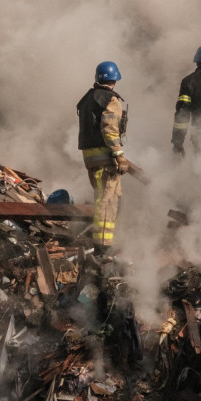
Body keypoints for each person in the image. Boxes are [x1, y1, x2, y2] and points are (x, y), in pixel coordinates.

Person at [77, 61, 131, 255]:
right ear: (114, 80)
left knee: (108, 198)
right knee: (107, 202)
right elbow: (109, 129)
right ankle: (103, 248)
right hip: (105, 160)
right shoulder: (110, 100)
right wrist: (119, 155)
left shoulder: (86, 99)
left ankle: (106, 242)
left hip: (90, 158)